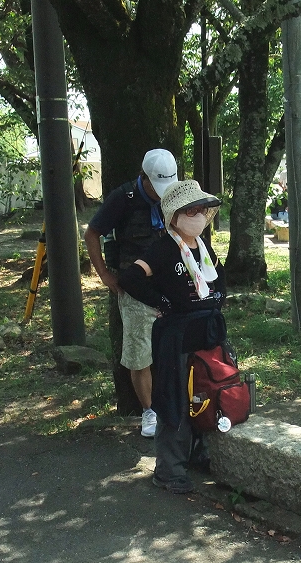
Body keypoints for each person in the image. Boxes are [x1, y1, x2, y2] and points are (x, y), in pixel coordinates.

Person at [119, 180, 226, 494]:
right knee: (175, 400)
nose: (199, 215)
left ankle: (198, 454)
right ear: (175, 215)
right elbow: (131, 278)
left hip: (207, 333)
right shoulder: (163, 248)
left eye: (201, 209)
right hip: (177, 337)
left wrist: (218, 298)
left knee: (206, 394)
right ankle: (169, 470)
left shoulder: (202, 247)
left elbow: (219, 277)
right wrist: (162, 302)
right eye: (191, 210)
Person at [84, 149, 179, 438]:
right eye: (157, 186)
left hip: (170, 284)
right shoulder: (122, 199)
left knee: (173, 348)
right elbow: (92, 233)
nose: (162, 193)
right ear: (144, 177)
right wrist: (104, 274)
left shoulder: (176, 194)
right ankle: (149, 411)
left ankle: (173, 404)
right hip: (135, 288)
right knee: (140, 354)